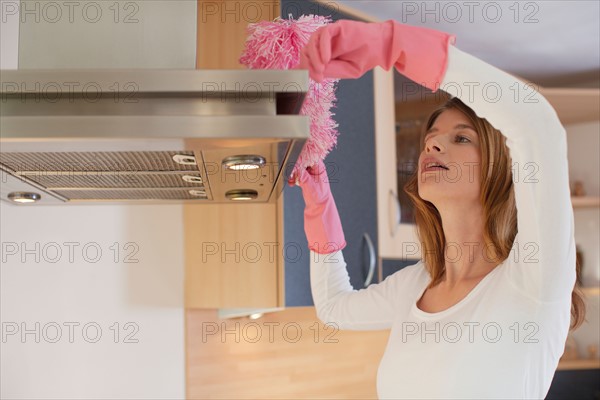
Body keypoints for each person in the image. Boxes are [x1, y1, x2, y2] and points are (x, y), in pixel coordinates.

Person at [288, 19, 586, 399]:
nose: (433, 146)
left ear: (503, 166)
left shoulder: (534, 280)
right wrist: (319, 204)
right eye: (430, 139)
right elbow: (334, 308)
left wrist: (391, 45)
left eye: (461, 138)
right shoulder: (417, 284)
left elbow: (539, 126)